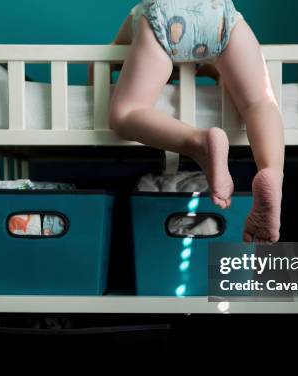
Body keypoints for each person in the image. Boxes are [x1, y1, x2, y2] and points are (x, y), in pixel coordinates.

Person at [108, 0, 285, 243]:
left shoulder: (139, 12)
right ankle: (272, 170)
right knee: (260, 102)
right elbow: (216, 69)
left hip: (163, 16)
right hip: (220, 15)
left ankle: (197, 142)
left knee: (126, 112)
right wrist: (215, 72)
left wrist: (96, 72)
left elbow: (113, 55)